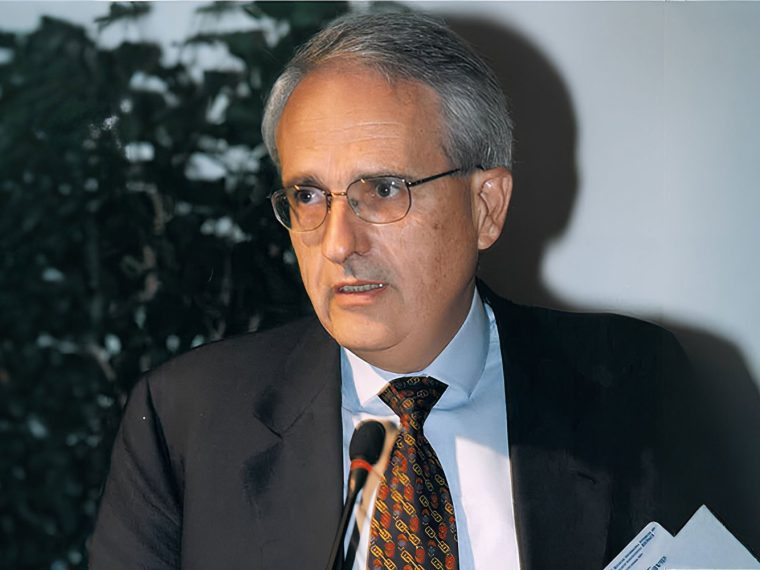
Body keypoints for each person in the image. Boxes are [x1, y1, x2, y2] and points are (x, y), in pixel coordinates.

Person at [89, 11, 754, 570]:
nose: (338, 242)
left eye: (383, 189)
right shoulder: (188, 419)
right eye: (309, 195)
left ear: (486, 206)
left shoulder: (633, 384)